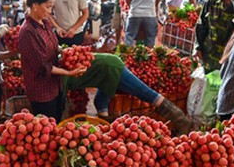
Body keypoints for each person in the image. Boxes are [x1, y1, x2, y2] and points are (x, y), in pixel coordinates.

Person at [65, 53, 193, 134]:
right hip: (104, 73)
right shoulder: (61, 70)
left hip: (112, 68)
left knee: (144, 93)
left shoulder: (61, 74)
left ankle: (181, 121)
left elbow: (61, 101)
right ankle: (108, 130)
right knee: (99, 101)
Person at [18, 0, 86, 121]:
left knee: (57, 121)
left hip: (55, 86)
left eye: (51, 7)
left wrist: (67, 52)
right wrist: (68, 73)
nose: (50, 11)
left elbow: (53, 47)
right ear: (35, 5)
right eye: (48, 7)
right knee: (48, 128)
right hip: (41, 92)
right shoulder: (28, 32)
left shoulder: (45, 23)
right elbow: (43, 67)